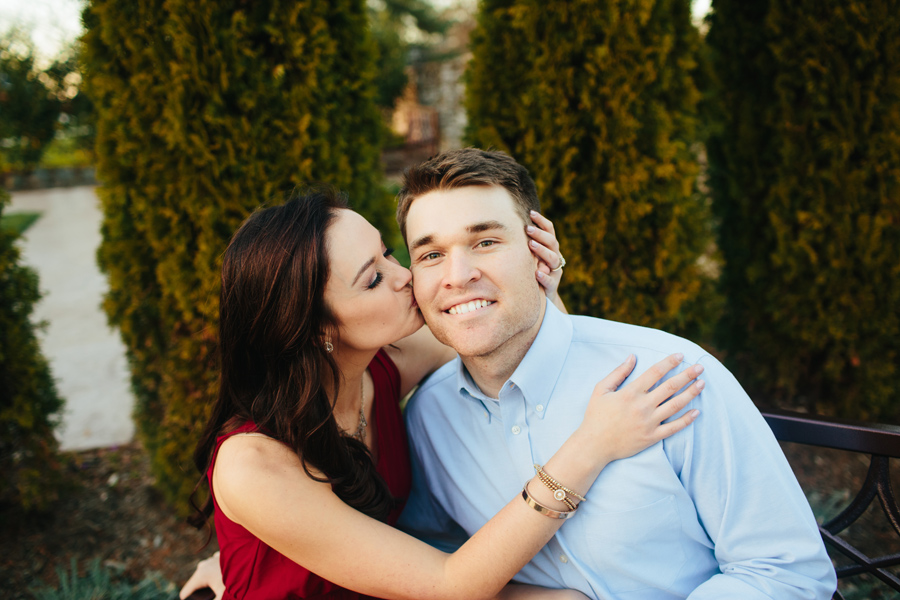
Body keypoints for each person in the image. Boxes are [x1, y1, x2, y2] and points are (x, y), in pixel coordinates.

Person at [180, 187, 704, 600]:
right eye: (372, 279)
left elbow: (526, 349)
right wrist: (592, 446)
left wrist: (537, 283)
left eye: (388, 253)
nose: (405, 276)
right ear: (316, 328)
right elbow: (453, 586)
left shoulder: (384, 364)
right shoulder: (253, 463)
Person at [392, 148, 837, 599]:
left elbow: (787, 574)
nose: (458, 275)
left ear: (539, 252)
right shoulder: (429, 417)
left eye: (485, 242)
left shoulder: (670, 376)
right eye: (430, 254)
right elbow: (438, 556)